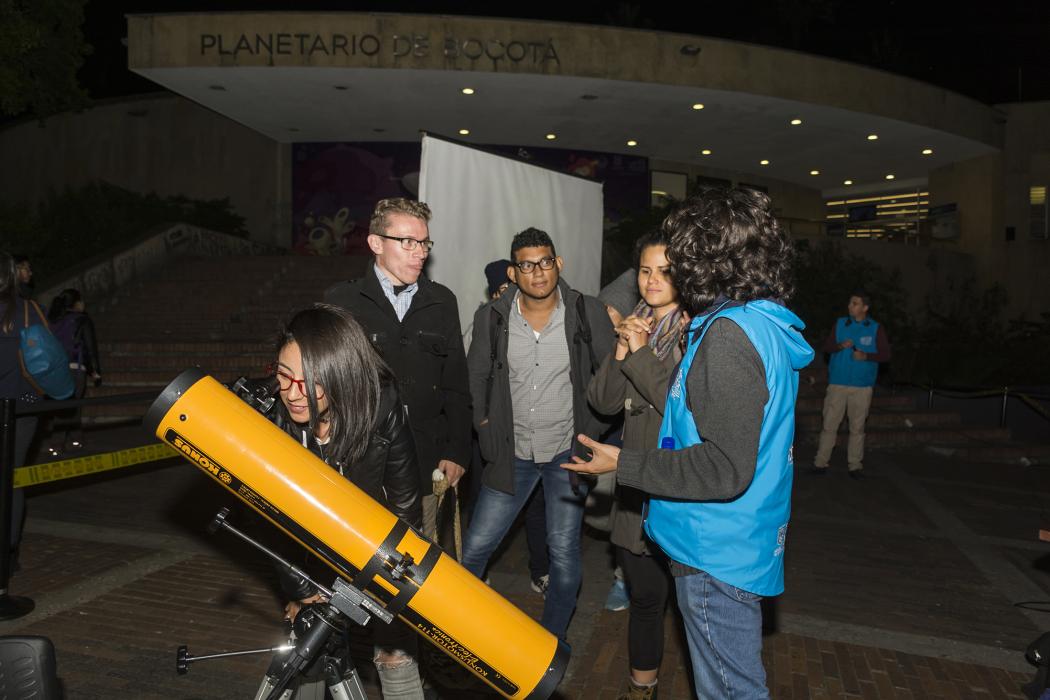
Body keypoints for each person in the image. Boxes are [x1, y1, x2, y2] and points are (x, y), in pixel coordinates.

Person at [563, 187, 814, 699]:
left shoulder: (728, 334)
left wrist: (623, 461)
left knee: (730, 690)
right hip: (736, 538)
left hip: (714, 544)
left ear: (708, 259)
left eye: (682, 255)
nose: (669, 271)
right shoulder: (760, 322)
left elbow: (724, 467)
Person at [249, 303, 425, 700]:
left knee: (396, 654)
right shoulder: (272, 416)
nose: (293, 394)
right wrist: (299, 586)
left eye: (308, 382)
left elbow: (405, 506)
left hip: (380, 548)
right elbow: (271, 517)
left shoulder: (382, 405)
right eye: (282, 376)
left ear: (340, 375)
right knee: (308, 654)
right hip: (310, 556)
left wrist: (387, 588)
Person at [463, 227, 615, 640]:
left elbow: (610, 380)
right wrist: (485, 429)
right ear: (513, 273)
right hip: (512, 453)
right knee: (476, 547)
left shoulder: (587, 312)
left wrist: (592, 432)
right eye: (527, 265)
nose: (538, 273)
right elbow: (476, 379)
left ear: (557, 264)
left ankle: (552, 638)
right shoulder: (491, 318)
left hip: (566, 454)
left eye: (545, 262)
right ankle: (460, 626)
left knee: (563, 552)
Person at [325, 198, 471, 541]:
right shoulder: (341, 301)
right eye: (408, 242)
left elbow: (456, 384)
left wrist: (457, 450)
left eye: (424, 243)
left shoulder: (442, 302)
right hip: (361, 462)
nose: (420, 252)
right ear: (376, 243)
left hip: (427, 463)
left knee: (421, 559)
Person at [585, 230, 687, 700]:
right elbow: (603, 402)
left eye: (664, 271)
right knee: (646, 598)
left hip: (677, 484)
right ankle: (640, 689)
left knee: (683, 600)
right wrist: (623, 349)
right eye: (645, 270)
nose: (652, 280)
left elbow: (678, 404)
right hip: (633, 483)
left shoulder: (697, 331)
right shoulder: (635, 322)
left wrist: (642, 350)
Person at [812, 292, 892, 478]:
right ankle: (820, 463)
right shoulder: (840, 324)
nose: (850, 306)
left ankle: (855, 466)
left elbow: (886, 355)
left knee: (857, 428)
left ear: (865, 308)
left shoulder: (875, 328)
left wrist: (867, 356)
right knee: (829, 425)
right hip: (837, 384)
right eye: (850, 303)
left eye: (855, 303)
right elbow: (826, 348)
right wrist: (839, 346)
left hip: (862, 386)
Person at [0, 251, 43, 568]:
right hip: (23, 406)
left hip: (16, 406)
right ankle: (8, 551)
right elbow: (50, 356)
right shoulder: (27, 310)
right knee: (12, 478)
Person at [46, 289, 102, 452]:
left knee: (66, 404)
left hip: (55, 369)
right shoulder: (82, 320)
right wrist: (95, 370)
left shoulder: (53, 319)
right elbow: (90, 347)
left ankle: (76, 438)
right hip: (75, 368)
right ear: (76, 303)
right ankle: (58, 443)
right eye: (82, 300)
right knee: (71, 405)